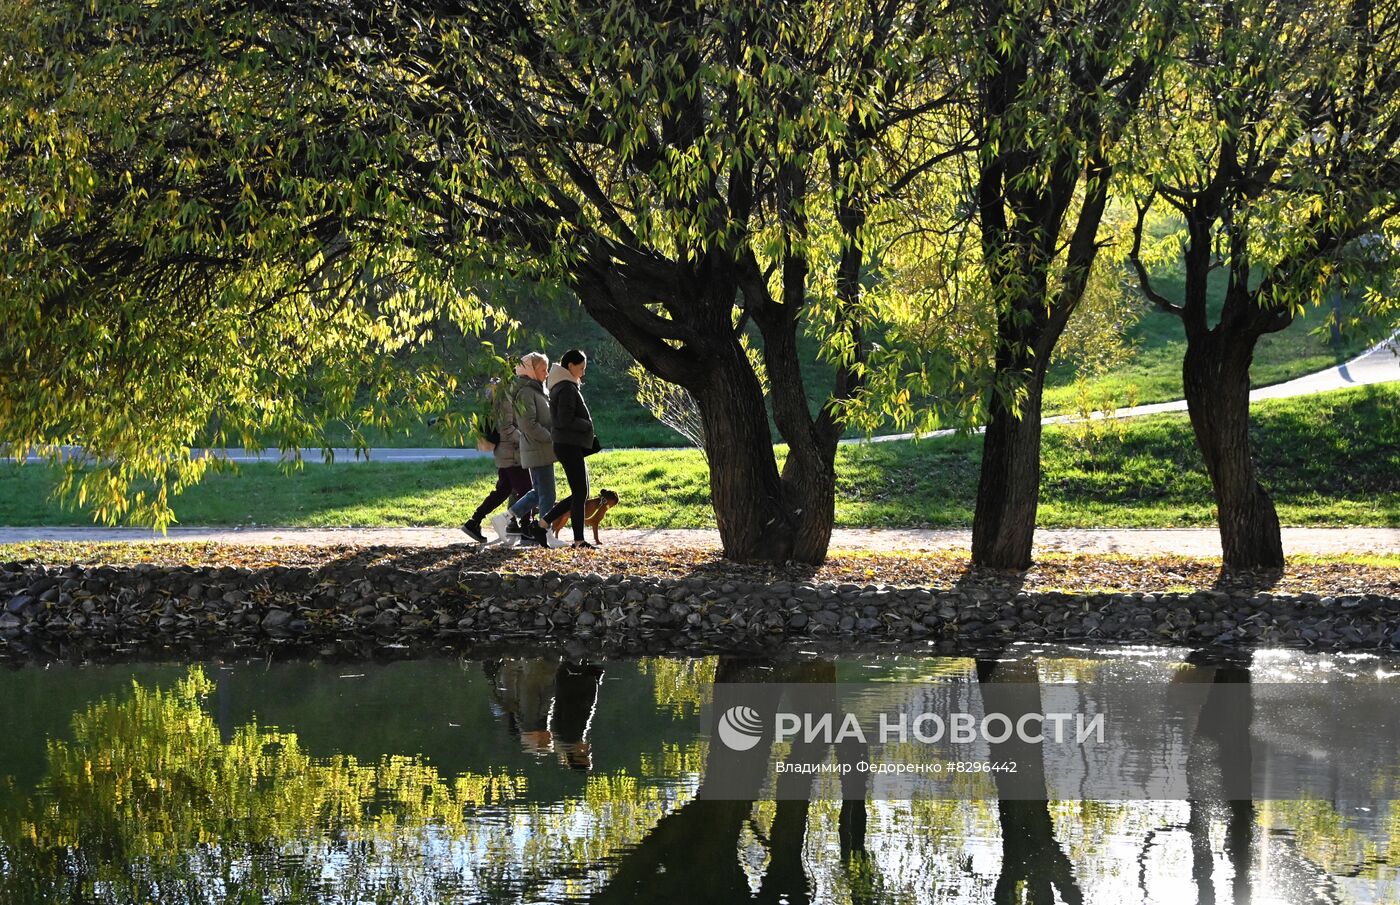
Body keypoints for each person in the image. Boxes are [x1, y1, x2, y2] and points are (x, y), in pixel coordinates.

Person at [494, 352, 562, 547]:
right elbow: (528, 424)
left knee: (538, 492)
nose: (547, 373)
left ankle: (506, 518)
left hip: (541, 449)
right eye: (543, 369)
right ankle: (545, 533)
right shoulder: (525, 392)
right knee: (548, 495)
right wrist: (551, 438)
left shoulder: (536, 389)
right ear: (531, 370)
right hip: (537, 449)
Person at [461, 363, 533, 543]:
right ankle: (526, 528)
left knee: (503, 490)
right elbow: (507, 428)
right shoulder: (505, 396)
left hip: (504, 451)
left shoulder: (497, 393)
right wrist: (526, 439)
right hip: (512, 452)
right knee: (528, 490)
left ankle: (474, 521)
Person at [543, 349, 597, 549]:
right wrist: (586, 425)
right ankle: (578, 540)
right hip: (568, 444)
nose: (583, 372)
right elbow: (564, 420)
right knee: (580, 492)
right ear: (571, 366)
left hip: (567, 444)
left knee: (580, 493)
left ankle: (542, 524)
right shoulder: (566, 387)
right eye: (581, 368)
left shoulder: (562, 384)